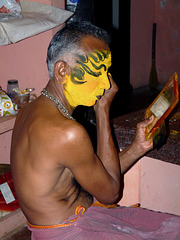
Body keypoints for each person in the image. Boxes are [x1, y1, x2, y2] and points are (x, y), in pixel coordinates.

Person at [11, 22, 180, 240]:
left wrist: (138, 147)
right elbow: (110, 193)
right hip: (70, 232)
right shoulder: (67, 132)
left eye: (107, 72)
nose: (106, 84)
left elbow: (99, 176)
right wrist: (102, 110)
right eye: (97, 73)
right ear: (62, 71)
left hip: (79, 218)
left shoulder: (28, 110)